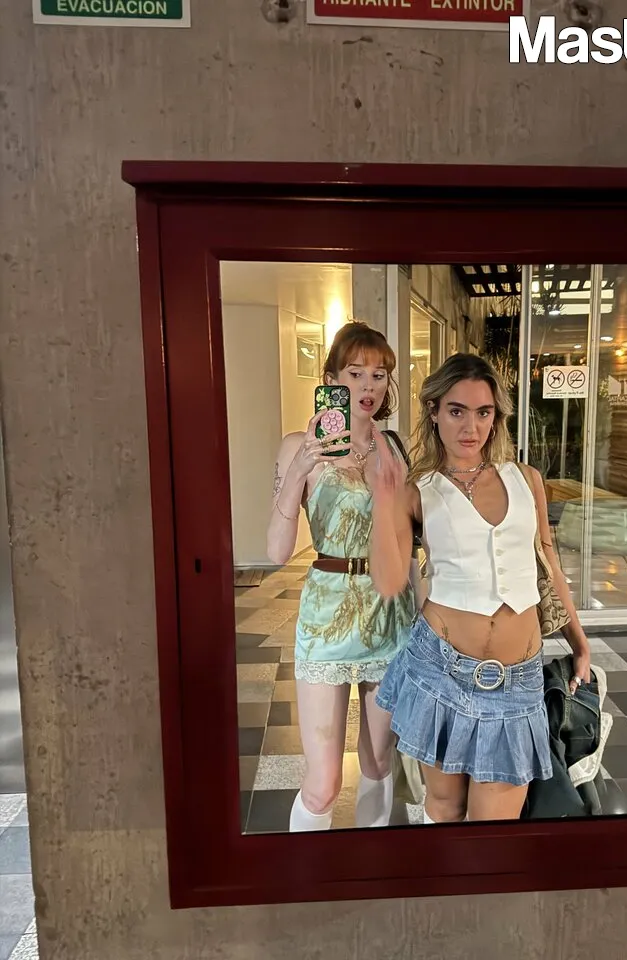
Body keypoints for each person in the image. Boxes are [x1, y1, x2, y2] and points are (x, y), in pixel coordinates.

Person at [367, 352, 591, 823]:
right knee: (445, 808)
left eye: (483, 412)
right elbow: (388, 580)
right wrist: (384, 502)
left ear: (496, 416)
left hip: (517, 682)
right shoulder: (418, 490)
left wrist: (579, 641)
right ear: (434, 412)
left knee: (495, 827)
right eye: (457, 411)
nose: (471, 427)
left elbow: (548, 565)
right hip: (440, 669)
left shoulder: (526, 479)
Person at [267, 321, 416, 832]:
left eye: (379, 375)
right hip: (326, 614)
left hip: (388, 613)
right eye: (355, 373)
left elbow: (406, 544)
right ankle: (306, 871)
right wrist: (297, 473)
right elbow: (275, 552)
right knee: (323, 781)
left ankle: (370, 863)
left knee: (379, 760)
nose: (369, 386)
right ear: (331, 379)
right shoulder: (298, 444)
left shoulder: (393, 447)